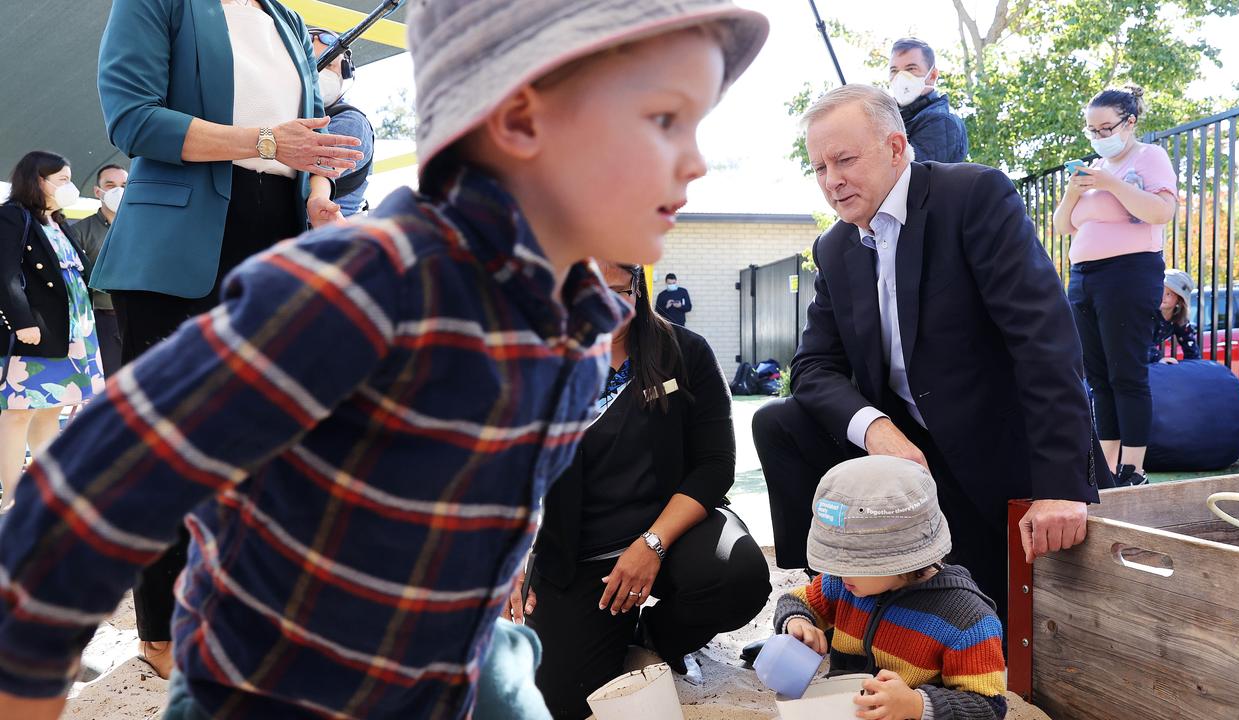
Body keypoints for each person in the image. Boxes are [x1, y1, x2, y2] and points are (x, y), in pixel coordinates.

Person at [0, 2, 768, 719]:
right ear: (523, 120)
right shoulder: (366, 291)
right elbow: (72, 511)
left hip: (450, 651)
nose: (697, 164)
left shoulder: (578, 327)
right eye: (667, 120)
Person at [752, 84, 1103, 626]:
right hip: (908, 451)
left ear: (896, 147)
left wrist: (1060, 488)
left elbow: (1044, 339)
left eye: (844, 159)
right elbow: (812, 367)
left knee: (991, 630)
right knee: (780, 422)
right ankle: (825, 595)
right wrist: (874, 429)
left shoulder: (973, 197)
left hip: (997, 456)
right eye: (819, 167)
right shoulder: (837, 247)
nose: (832, 180)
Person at [92, 0, 366, 679]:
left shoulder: (287, 20)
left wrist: (316, 191)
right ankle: (162, 632)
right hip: (178, 251)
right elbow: (132, 117)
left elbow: (313, 132)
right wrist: (268, 144)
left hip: (279, 241)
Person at [510, 264, 770, 719]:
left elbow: (715, 465)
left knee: (737, 575)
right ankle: (615, 631)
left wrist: (652, 543)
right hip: (580, 550)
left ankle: (655, 636)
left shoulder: (684, 352)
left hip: (674, 529)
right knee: (565, 698)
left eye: (618, 291)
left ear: (638, 286)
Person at [775, 456, 1007, 720]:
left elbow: (988, 708)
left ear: (900, 560)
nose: (836, 571)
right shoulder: (842, 585)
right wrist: (797, 622)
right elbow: (795, 602)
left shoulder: (967, 620)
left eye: (850, 563)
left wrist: (917, 704)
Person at [1053, 85, 1178, 487]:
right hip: (1085, 277)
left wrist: (1110, 183)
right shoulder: (1093, 169)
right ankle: (1107, 466)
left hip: (1129, 273)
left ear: (1130, 122)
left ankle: (1134, 468)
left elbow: (1161, 210)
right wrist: (1073, 194)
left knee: (1127, 373)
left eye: (1106, 127)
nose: (1099, 136)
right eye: (1092, 130)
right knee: (1099, 376)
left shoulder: (1148, 157)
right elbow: (1062, 226)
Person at [0, 152, 105, 513]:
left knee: (51, 407)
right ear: (37, 180)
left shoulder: (58, 222)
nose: (68, 186)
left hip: (74, 329)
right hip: (36, 330)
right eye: (61, 179)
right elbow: (5, 275)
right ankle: (12, 492)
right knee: (18, 411)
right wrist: (22, 320)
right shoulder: (13, 216)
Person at [68, 164, 127, 377]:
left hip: (138, 317)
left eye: (124, 185)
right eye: (110, 185)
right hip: (101, 319)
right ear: (97, 191)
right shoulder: (79, 231)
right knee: (108, 385)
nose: (118, 191)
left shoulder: (144, 227)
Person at [310, 27, 377, 216]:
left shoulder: (351, 122)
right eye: (311, 65)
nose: (317, 74)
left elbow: (307, 175)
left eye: (328, 65)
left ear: (346, 71)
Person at [888, 38, 968, 163]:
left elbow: (905, 173)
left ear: (933, 75)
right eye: (894, 70)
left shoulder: (942, 121)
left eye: (910, 69)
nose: (900, 77)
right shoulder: (892, 117)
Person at [1150, 269, 1200, 365]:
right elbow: (1141, 342)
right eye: (1160, 291)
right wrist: (1157, 358)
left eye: (1168, 294)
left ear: (1179, 300)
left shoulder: (1179, 320)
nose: (1162, 297)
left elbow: (1190, 344)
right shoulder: (1147, 315)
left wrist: (1194, 365)